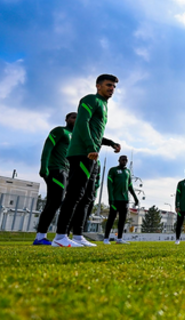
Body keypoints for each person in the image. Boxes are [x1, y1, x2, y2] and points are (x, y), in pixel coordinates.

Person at [53, 75, 122, 248]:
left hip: (91, 154)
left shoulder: (104, 105)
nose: (111, 88)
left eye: (113, 86)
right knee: (75, 193)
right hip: (82, 153)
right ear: (98, 86)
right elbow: (82, 123)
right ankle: (60, 236)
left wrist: (110, 143)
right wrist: (91, 147)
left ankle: (77, 235)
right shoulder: (91, 99)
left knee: (87, 197)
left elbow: (95, 131)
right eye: (108, 85)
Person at [33, 112, 76, 245]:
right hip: (56, 169)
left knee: (59, 202)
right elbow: (48, 147)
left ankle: (59, 235)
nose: (76, 119)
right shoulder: (60, 131)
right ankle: (40, 237)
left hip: (67, 172)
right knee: (56, 201)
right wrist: (44, 166)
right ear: (67, 119)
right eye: (73, 117)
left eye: (78, 118)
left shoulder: (76, 137)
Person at [103, 155, 139, 244]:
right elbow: (109, 185)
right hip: (115, 199)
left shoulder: (127, 171)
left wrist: (135, 198)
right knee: (111, 218)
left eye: (125, 160)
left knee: (122, 219)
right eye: (122, 160)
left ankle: (119, 239)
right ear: (119, 160)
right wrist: (111, 198)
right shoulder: (113, 170)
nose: (124, 161)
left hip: (125, 200)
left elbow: (130, 186)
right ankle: (106, 239)